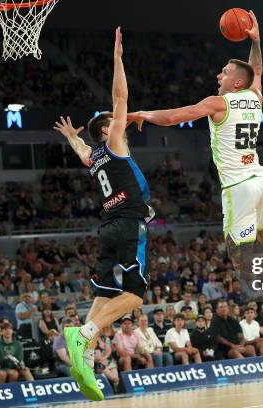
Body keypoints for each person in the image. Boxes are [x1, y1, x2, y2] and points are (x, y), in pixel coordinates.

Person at [127, 10, 263, 275]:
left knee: (240, 261)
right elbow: (257, 70)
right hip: (260, 178)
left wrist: (141, 114)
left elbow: (173, 117)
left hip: (238, 186)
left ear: (237, 82)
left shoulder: (218, 103)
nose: (219, 75)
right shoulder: (255, 98)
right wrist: (256, 41)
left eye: (225, 72)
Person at [53, 28, 154, 401]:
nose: (122, 122)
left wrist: (69, 136)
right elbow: (120, 94)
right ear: (108, 130)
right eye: (116, 121)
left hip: (108, 228)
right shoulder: (113, 143)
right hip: (129, 224)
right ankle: (82, 335)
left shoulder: (94, 156)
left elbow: (81, 149)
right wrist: (117, 58)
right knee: (135, 297)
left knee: (105, 294)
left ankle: (85, 357)